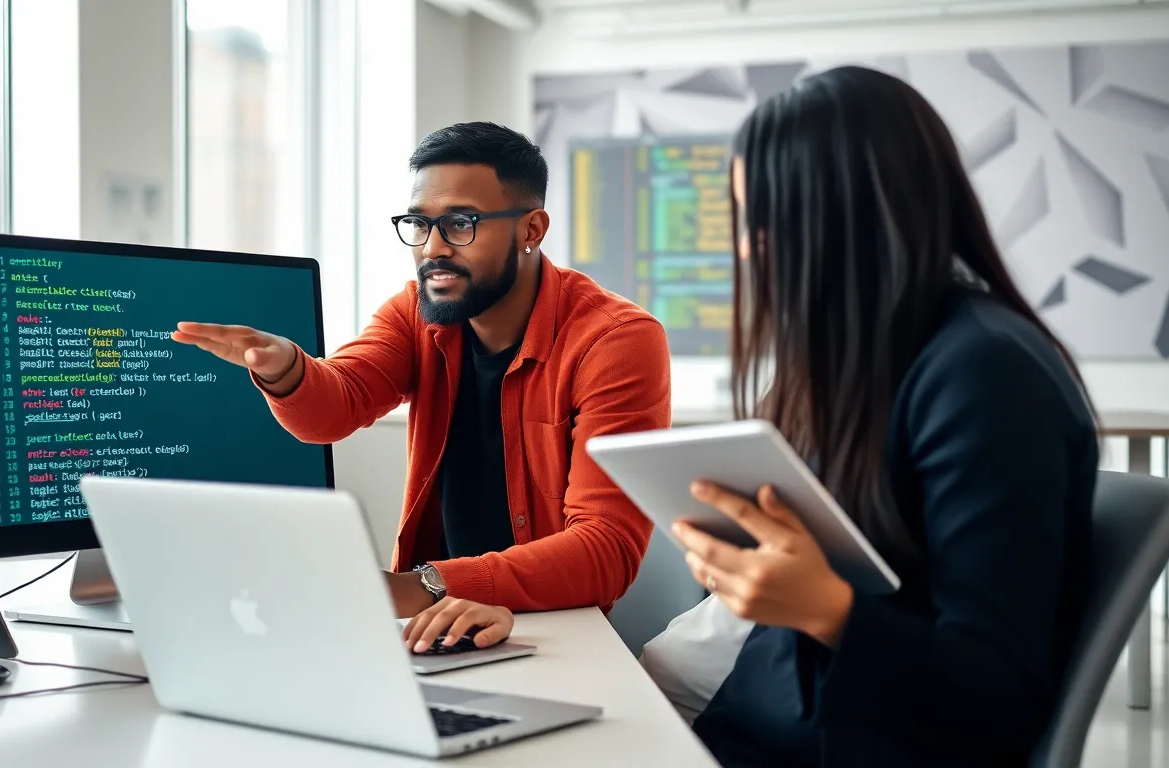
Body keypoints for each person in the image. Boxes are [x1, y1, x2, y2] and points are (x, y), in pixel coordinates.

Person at [667, 65, 1099, 766]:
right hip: (763, 728)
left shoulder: (986, 374)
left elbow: (1000, 693)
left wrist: (827, 610)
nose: (748, 249)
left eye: (763, 223)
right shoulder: (870, 358)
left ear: (843, 216)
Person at [173, 122, 672, 651]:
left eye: (460, 223)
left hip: (553, 633)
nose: (433, 249)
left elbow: (605, 551)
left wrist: (422, 586)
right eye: (419, 223)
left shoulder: (615, 341)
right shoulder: (416, 312)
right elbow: (335, 407)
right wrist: (285, 369)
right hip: (429, 628)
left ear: (531, 229)